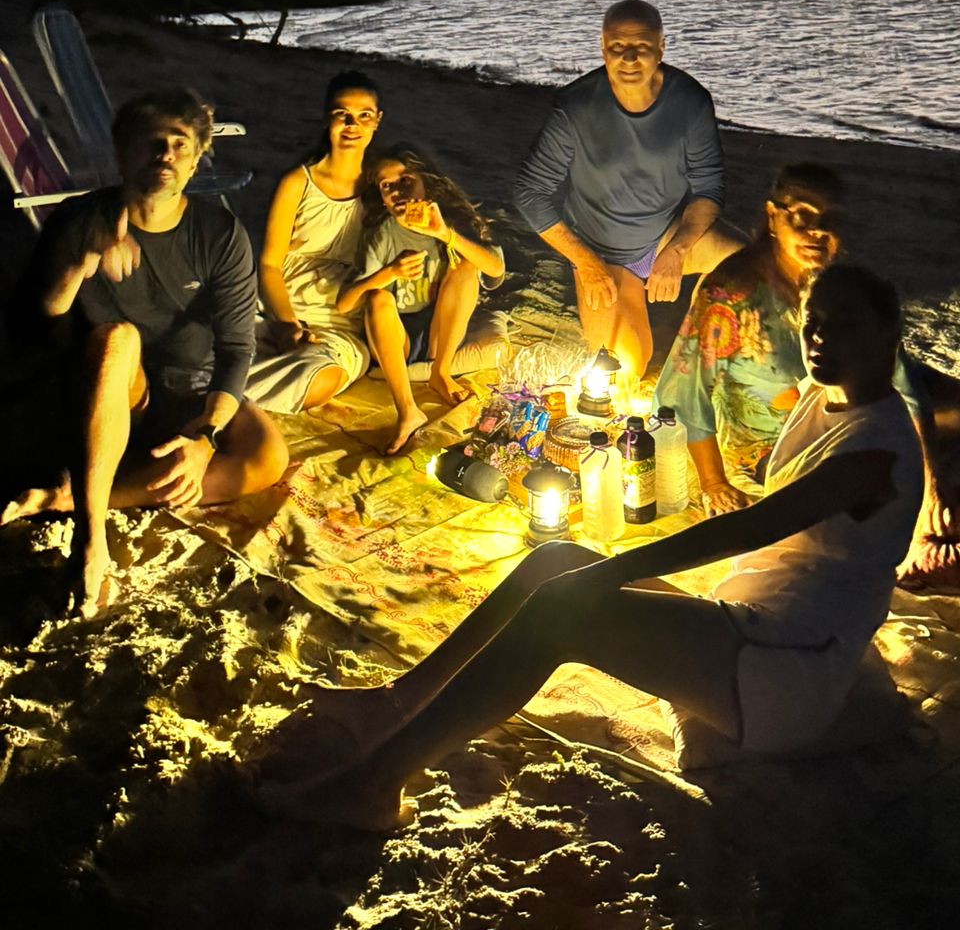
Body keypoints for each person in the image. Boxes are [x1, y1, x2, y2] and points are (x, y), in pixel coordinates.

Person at [256, 263, 924, 830]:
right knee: (555, 560)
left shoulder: (875, 452)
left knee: (563, 610)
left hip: (781, 670)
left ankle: (376, 783)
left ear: (888, 338)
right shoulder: (824, 395)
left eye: (845, 327)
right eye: (815, 323)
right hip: (752, 627)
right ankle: (397, 703)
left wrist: (614, 576)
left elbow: (743, 529)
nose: (821, 339)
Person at [1, 85, 288, 617]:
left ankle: (70, 497)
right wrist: (81, 264)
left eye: (180, 144)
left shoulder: (219, 234)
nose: (165, 156)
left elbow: (235, 347)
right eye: (151, 143)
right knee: (118, 338)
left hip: (185, 391)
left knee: (268, 456)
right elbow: (27, 331)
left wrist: (204, 437)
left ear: (198, 158)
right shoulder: (79, 219)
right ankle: (92, 541)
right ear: (121, 153)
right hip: (104, 388)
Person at [656, 162, 960, 516]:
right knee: (827, 487)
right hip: (772, 439)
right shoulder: (731, 291)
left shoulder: (840, 282)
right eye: (802, 216)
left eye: (831, 219)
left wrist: (930, 484)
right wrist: (714, 483)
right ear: (772, 217)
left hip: (852, 404)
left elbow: (897, 374)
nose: (818, 231)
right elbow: (683, 394)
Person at [513, 0, 740, 389]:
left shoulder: (690, 101)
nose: (630, 58)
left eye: (642, 47)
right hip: (600, 252)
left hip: (668, 234)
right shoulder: (576, 106)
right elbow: (530, 193)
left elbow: (709, 185)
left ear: (661, 47)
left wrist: (678, 249)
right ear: (603, 48)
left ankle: (706, 350)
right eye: (618, 47)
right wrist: (585, 262)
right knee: (623, 371)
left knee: (747, 262)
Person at [246, 71, 390, 426]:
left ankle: (225, 389)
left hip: (339, 324)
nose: (352, 124)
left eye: (364, 115)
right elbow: (269, 265)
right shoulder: (298, 181)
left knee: (320, 377)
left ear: (377, 121)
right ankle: (223, 382)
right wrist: (287, 325)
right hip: (279, 308)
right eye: (342, 114)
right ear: (328, 117)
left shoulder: (383, 186)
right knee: (216, 340)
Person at [335, 147, 507, 428]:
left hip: (441, 336)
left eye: (406, 180)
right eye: (387, 186)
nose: (399, 191)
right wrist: (389, 272)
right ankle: (408, 410)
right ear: (381, 197)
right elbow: (344, 304)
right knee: (378, 297)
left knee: (465, 264)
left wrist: (444, 234)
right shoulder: (382, 235)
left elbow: (495, 268)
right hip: (394, 339)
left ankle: (440, 373)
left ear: (426, 182)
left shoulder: (449, 223)